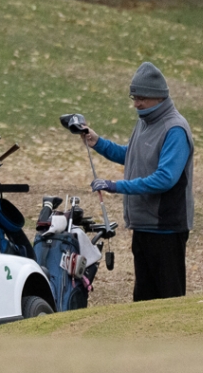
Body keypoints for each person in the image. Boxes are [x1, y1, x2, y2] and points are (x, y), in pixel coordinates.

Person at [80, 61, 194, 302]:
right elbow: (131, 155)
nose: (136, 104)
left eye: (141, 98)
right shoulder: (144, 122)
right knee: (143, 301)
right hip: (143, 227)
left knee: (169, 301)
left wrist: (116, 186)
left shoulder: (175, 129)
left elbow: (165, 179)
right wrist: (97, 143)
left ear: (158, 96)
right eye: (134, 97)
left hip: (166, 229)